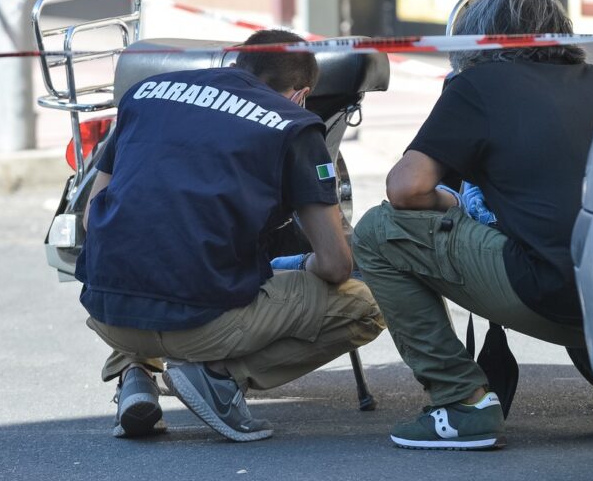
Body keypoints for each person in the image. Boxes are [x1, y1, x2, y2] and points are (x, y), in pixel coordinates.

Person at [77, 29, 385, 442]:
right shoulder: (293, 124)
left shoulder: (145, 93)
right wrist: (297, 265)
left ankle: (134, 374)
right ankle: (219, 377)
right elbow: (334, 265)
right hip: (199, 322)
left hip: (107, 311)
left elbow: (91, 217)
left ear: (238, 63)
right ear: (301, 94)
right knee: (366, 305)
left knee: (153, 248)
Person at [352, 0, 593, 450]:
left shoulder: (480, 85)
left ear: (479, 39)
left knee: (378, 230)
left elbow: (405, 188)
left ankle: (462, 402)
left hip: (549, 291)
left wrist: (452, 205)